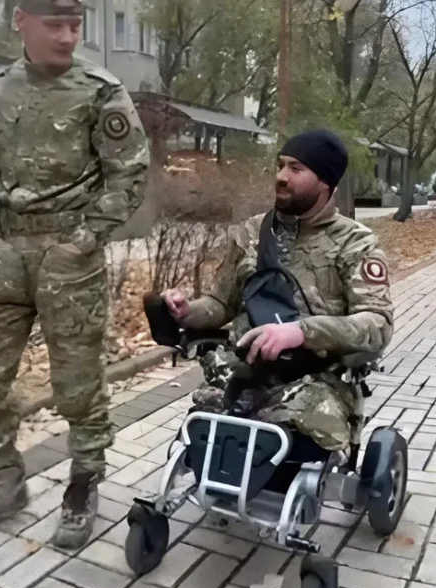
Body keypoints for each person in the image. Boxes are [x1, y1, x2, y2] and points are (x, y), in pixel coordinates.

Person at [0, 0, 149, 548]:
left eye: (75, 25)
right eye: (55, 25)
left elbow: (130, 174)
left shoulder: (100, 91)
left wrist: (83, 240)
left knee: (77, 385)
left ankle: (83, 482)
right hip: (7, 255)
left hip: (69, 256)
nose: (67, 36)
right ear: (21, 22)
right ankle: (4, 478)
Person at [162, 129, 393, 452]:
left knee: (283, 437)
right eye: (281, 165)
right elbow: (220, 302)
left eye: (296, 168)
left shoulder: (355, 243)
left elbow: (377, 323)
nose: (281, 176)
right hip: (245, 373)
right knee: (200, 435)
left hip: (318, 379)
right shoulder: (252, 232)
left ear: (325, 182)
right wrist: (188, 311)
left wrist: (301, 332)